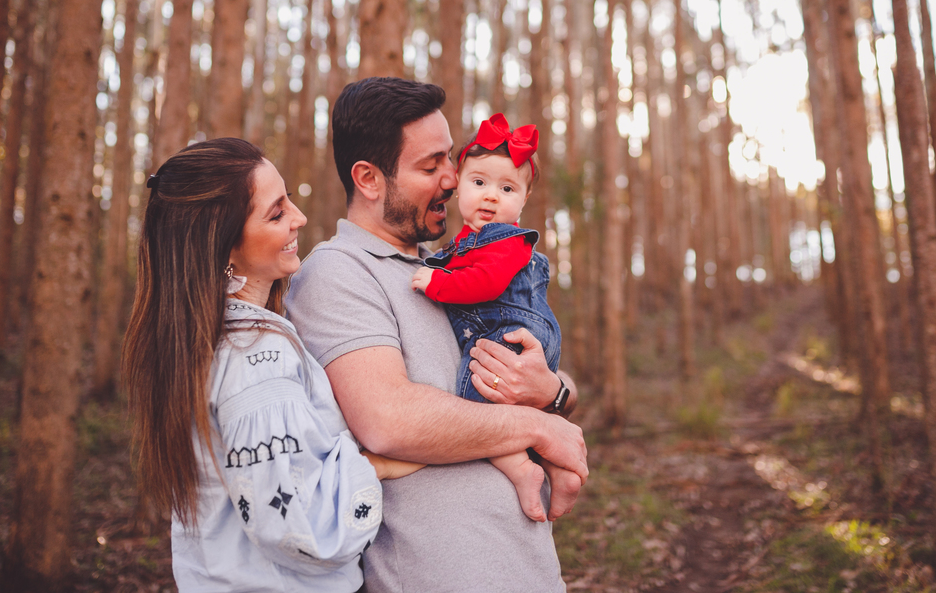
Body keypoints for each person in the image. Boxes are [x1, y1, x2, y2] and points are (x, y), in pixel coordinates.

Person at [285, 77, 587, 593]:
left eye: (451, 158)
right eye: (430, 166)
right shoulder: (338, 273)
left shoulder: (448, 267)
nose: (452, 179)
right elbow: (389, 418)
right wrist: (537, 429)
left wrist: (553, 392)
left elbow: (533, 376)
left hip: (529, 572)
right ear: (369, 179)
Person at [121, 138, 420, 593]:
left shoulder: (208, 343)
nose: (299, 217)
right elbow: (299, 528)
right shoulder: (256, 357)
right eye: (276, 213)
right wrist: (370, 464)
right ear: (222, 247)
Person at [409, 112, 564, 523]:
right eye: (479, 183)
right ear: (458, 183)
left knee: (474, 398)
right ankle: (556, 468)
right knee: (505, 404)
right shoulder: (466, 242)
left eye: (507, 188)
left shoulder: (508, 242)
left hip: (511, 332)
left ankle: (523, 468)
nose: (491, 196)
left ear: (524, 201)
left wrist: (436, 283)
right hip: (507, 330)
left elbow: (486, 284)